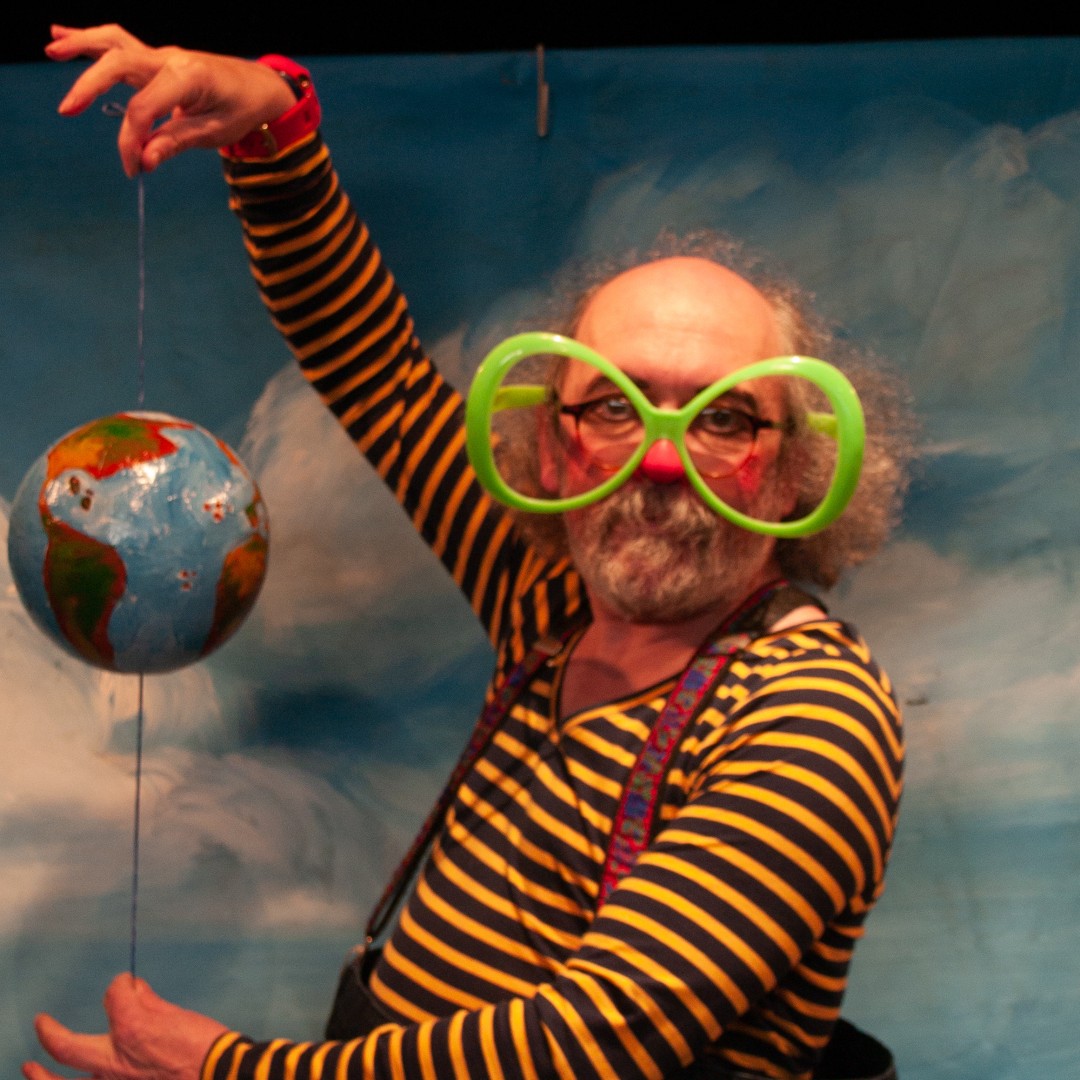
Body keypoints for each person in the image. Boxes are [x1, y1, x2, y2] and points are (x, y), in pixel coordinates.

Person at [28, 24, 915, 1080]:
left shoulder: (810, 711)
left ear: (796, 467)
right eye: (614, 405)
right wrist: (273, 135)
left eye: (723, 419)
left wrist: (230, 1072)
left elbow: (583, 1046)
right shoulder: (552, 605)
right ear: (554, 441)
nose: (660, 462)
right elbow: (379, 376)